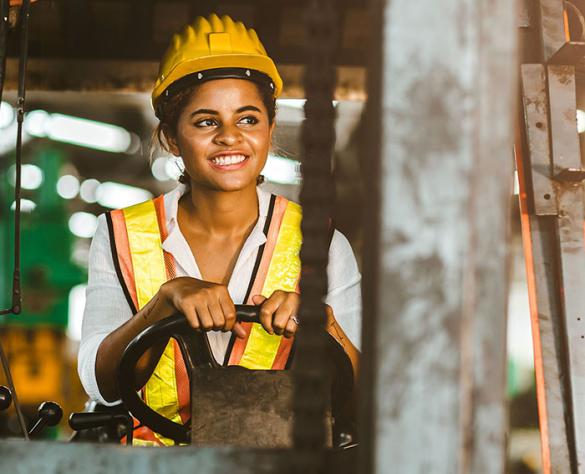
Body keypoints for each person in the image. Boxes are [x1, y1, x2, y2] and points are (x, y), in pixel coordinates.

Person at [78, 13, 362, 446]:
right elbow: (103, 385)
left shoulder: (324, 245)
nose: (230, 137)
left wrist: (325, 327)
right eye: (206, 121)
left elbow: (361, 395)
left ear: (268, 128)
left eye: (248, 119)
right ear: (172, 138)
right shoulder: (119, 235)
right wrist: (162, 304)